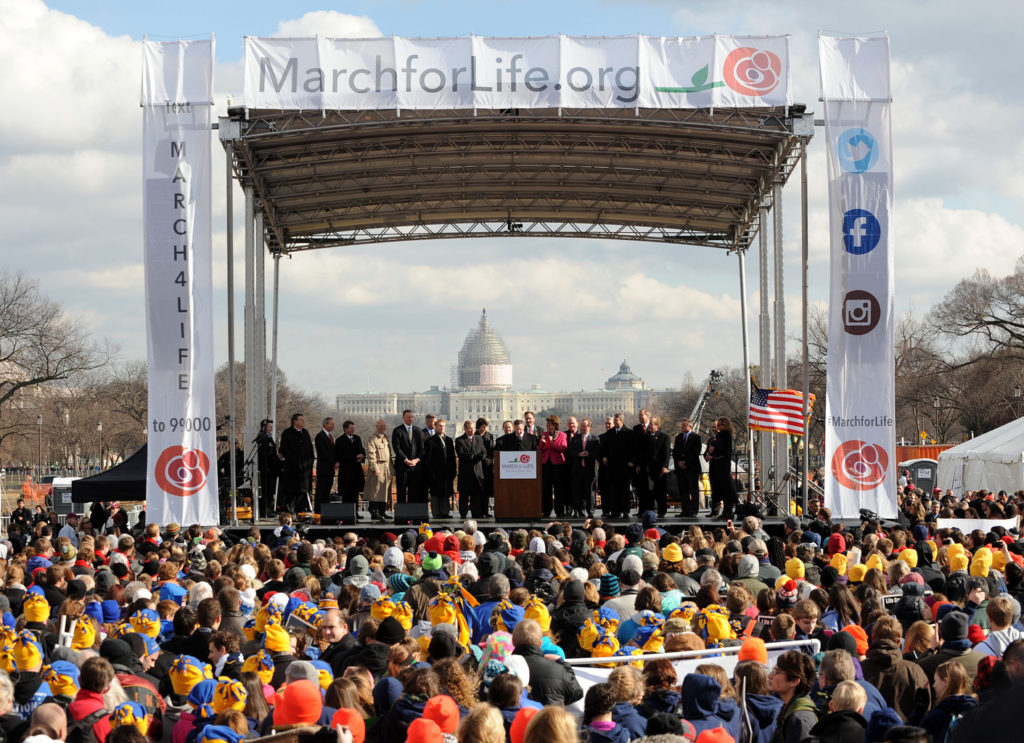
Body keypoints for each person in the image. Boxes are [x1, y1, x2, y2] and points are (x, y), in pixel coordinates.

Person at [919, 661, 977, 743]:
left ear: (946, 682)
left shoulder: (936, 716)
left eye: (935, 681)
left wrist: (920, 706)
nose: (933, 685)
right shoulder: (976, 711)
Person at [768, 650, 818, 743]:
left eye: (777, 672)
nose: (770, 676)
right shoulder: (788, 707)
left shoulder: (800, 719)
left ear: (794, 681)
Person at [599, 414, 634, 519]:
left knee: (624, 490)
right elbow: (604, 447)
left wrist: (631, 461)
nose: (614, 422)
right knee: (614, 490)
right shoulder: (610, 433)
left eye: (616, 420)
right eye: (614, 420)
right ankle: (615, 511)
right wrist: (604, 457)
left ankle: (625, 511)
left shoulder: (629, 433)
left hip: (624, 467)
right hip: (612, 467)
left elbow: (633, 449)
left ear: (622, 421)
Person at [278, 413, 314, 514]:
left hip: (305, 468)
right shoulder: (287, 433)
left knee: (304, 490)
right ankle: (290, 509)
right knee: (292, 490)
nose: (303, 421)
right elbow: (284, 449)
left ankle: (302, 510)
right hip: (293, 468)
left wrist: (311, 460)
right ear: (295, 421)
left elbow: (310, 448)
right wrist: (294, 461)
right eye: (301, 420)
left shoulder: (305, 432)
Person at [567, 417, 600, 518]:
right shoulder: (575, 438)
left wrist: (588, 454)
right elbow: (570, 452)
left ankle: (590, 511)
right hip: (577, 469)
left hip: (589, 470)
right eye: (581, 426)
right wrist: (579, 454)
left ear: (589, 427)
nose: (582, 428)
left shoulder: (595, 439)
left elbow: (598, 453)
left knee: (590, 492)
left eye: (584, 426)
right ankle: (577, 511)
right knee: (577, 491)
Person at [424, 419, 456, 519]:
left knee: (446, 493)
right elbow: (427, 459)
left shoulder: (449, 440)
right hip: (435, 472)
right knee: (435, 494)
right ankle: (436, 512)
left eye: (443, 426)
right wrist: (431, 473)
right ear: (435, 427)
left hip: (447, 472)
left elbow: (452, 457)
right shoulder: (430, 441)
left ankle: (445, 512)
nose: (442, 428)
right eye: (440, 426)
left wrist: (453, 471)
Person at [456, 421, 487, 519]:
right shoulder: (459, 440)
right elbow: (461, 455)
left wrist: (473, 457)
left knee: (476, 495)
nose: (472, 430)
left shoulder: (479, 439)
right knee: (464, 496)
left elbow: (483, 452)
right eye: (470, 428)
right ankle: (463, 514)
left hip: (477, 472)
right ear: (465, 429)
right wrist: (474, 456)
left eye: (473, 428)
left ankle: (476, 513)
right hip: (466, 473)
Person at [705, 417, 735, 518]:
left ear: (725, 425)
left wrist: (713, 454)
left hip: (723, 467)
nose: (718, 428)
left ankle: (727, 511)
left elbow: (724, 451)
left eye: (719, 425)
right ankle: (720, 511)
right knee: (717, 490)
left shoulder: (725, 436)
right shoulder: (718, 437)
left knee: (725, 490)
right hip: (717, 467)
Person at [538, 415, 568, 518]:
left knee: (559, 488)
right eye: (547, 424)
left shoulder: (562, 435)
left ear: (554, 425)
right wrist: (542, 443)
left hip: (558, 464)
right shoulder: (544, 434)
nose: (547, 426)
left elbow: (563, 448)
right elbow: (540, 449)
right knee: (546, 488)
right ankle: (546, 511)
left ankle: (559, 511)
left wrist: (552, 443)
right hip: (546, 463)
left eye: (549, 424)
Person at [363, 419, 393, 522]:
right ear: (377, 426)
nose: (383, 428)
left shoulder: (386, 438)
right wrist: (375, 468)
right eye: (381, 426)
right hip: (378, 466)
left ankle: (382, 511)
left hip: (387, 466)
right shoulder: (373, 439)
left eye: (384, 426)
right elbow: (371, 455)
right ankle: (374, 511)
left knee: (385, 491)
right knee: (375, 490)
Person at [392, 410, 424, 504]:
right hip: (402, 467)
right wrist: (406, 460)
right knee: (401, 491)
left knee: (414, 492)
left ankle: (412, 515)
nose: (410, 419)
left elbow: (422, 448)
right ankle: (402, 516)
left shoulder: (418, 430)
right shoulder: (397, 430)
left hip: (415, 467)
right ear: (403, 418)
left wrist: (416, 460)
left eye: (412, 417)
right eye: (408, 417)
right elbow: (397, 448)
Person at [673, 418, 702, 517]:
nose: (682, 427)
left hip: (691, 468)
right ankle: (685, 509)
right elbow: (675, 451)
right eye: (682, 425)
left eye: (684, 425)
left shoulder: (696, 437)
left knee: (693, 490)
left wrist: (685, 462)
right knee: (683, 490)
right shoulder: (679, 437)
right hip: (680, 469)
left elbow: (696, 452)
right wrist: (679, 462)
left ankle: (694, 510)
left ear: (690, 426)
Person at [335, 420, 366, 506]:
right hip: (346, 472)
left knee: (355, 493)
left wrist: (362, 456)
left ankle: (355, 512)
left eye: (354, 428)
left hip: (356, 471)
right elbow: (341, 455)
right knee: (346, 494)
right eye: (351, 428)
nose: (353, 430)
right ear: (345, 429)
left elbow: (362, 450)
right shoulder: (340, 440)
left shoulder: (357, 438)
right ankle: (347, 513)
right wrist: (355, 457)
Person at [645, 417, 671, 518]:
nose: (650, 426)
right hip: (649, 468)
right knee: (649, 491)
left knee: (660, 491)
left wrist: (665, 466)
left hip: (659, 468)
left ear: (657, 426)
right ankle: (650, 511)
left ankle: (661, 511)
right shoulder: (646, 437)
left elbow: (666, 453)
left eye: (652, 424)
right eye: (649, 424)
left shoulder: (664, 437)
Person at [255, 419, 280, 515]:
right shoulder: (262, 438)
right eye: (269, 427)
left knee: (270, 490)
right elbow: (263, 454)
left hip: (272, 469)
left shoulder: (269, 438)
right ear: (264, 427)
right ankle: (265, 509)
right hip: (266, 469)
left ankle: (269, 508)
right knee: (265, 490)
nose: (271, 429)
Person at [313, 417, 337, 512]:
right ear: (325, 425)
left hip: (330, 469)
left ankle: (326, 510)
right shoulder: (320, 436)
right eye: (331, 424)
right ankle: (318, 511)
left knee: (327, 491)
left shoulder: (330, 436)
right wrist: (334, 462)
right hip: (323, 469)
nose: (333, 425)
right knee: (320, 490)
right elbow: (324, 453)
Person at [631, 409, 653, 514]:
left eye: (642, 415)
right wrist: (637, 463)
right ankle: (642, 511)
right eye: (639, 415)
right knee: (641, 490)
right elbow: (635, 448)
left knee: (650, 489)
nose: (640, 417)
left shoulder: (652, 428)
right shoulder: (636, 429)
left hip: (650, 465)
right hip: (640, 465)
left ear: (647, 416)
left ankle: (650, 510)